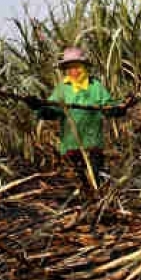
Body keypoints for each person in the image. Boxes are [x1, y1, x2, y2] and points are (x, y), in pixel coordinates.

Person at [28, 46, 125, 191]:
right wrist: (38, 107)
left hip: (93, 145)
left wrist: (119, 109)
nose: (74, 71)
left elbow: (108, 107)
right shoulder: (62, 89)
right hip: (71, 147)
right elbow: (51, 111)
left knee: (95, 182)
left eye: (77, 66)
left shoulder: (95, 86)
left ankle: (98, 206)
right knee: (77, 184)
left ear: (85, 67)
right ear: (65, 69)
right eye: (70, 68)